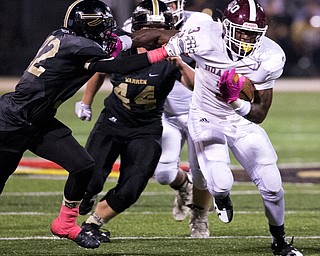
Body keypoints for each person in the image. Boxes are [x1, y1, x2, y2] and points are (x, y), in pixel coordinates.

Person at [0, 0, 195, 249]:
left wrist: (173, 38)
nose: (107, 32)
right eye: (101, 27)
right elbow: (119, 65)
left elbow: (127, 40)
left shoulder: (67, 37)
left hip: (38, 120)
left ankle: (66, 224)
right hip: (11, 123)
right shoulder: (79, 47)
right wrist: (163, 51)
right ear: (87, 26)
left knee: (83, 166)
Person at [179, 0, 303, 255]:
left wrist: (235, 100)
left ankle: (279, 242)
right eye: (242, 31)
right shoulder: (206, 35)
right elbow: (165, 37)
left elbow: (259, 114)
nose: (246, 39)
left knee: (272, 185)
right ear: (226, 26)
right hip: (206, 116)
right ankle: (220, 197)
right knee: (221, 183)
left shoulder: (270, 55)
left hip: (239, 121)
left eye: (253, 34)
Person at [74, 0, 195, 243]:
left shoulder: (172, 55)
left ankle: (94, 224)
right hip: (112, 121)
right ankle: (88, 194)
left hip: (146, 129)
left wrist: (180, 63)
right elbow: (100, 70)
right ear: (138, 28)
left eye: (160, 30)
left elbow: (194, 85)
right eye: (149, 28)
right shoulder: (121, 46)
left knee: (132, 187)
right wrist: (86, 102)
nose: (155, 35)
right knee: (91, 179)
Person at [153, 0, 212, 238]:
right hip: (167, 113)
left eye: (170, 3)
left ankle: (199, 217)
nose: (167, 8)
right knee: (163, 174)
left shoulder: (201, 23)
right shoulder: (140, 23)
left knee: (203, 172)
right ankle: (182, 185)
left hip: (200, 112)